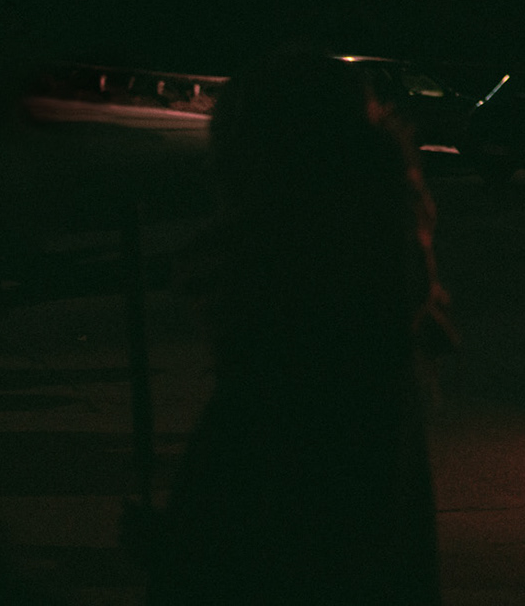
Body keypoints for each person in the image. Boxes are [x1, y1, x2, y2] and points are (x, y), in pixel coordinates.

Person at [146, 47, 451, 605]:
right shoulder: (369, 317)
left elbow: (288, 550)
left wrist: (184, 553)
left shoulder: (296, 358)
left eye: (230, 148)